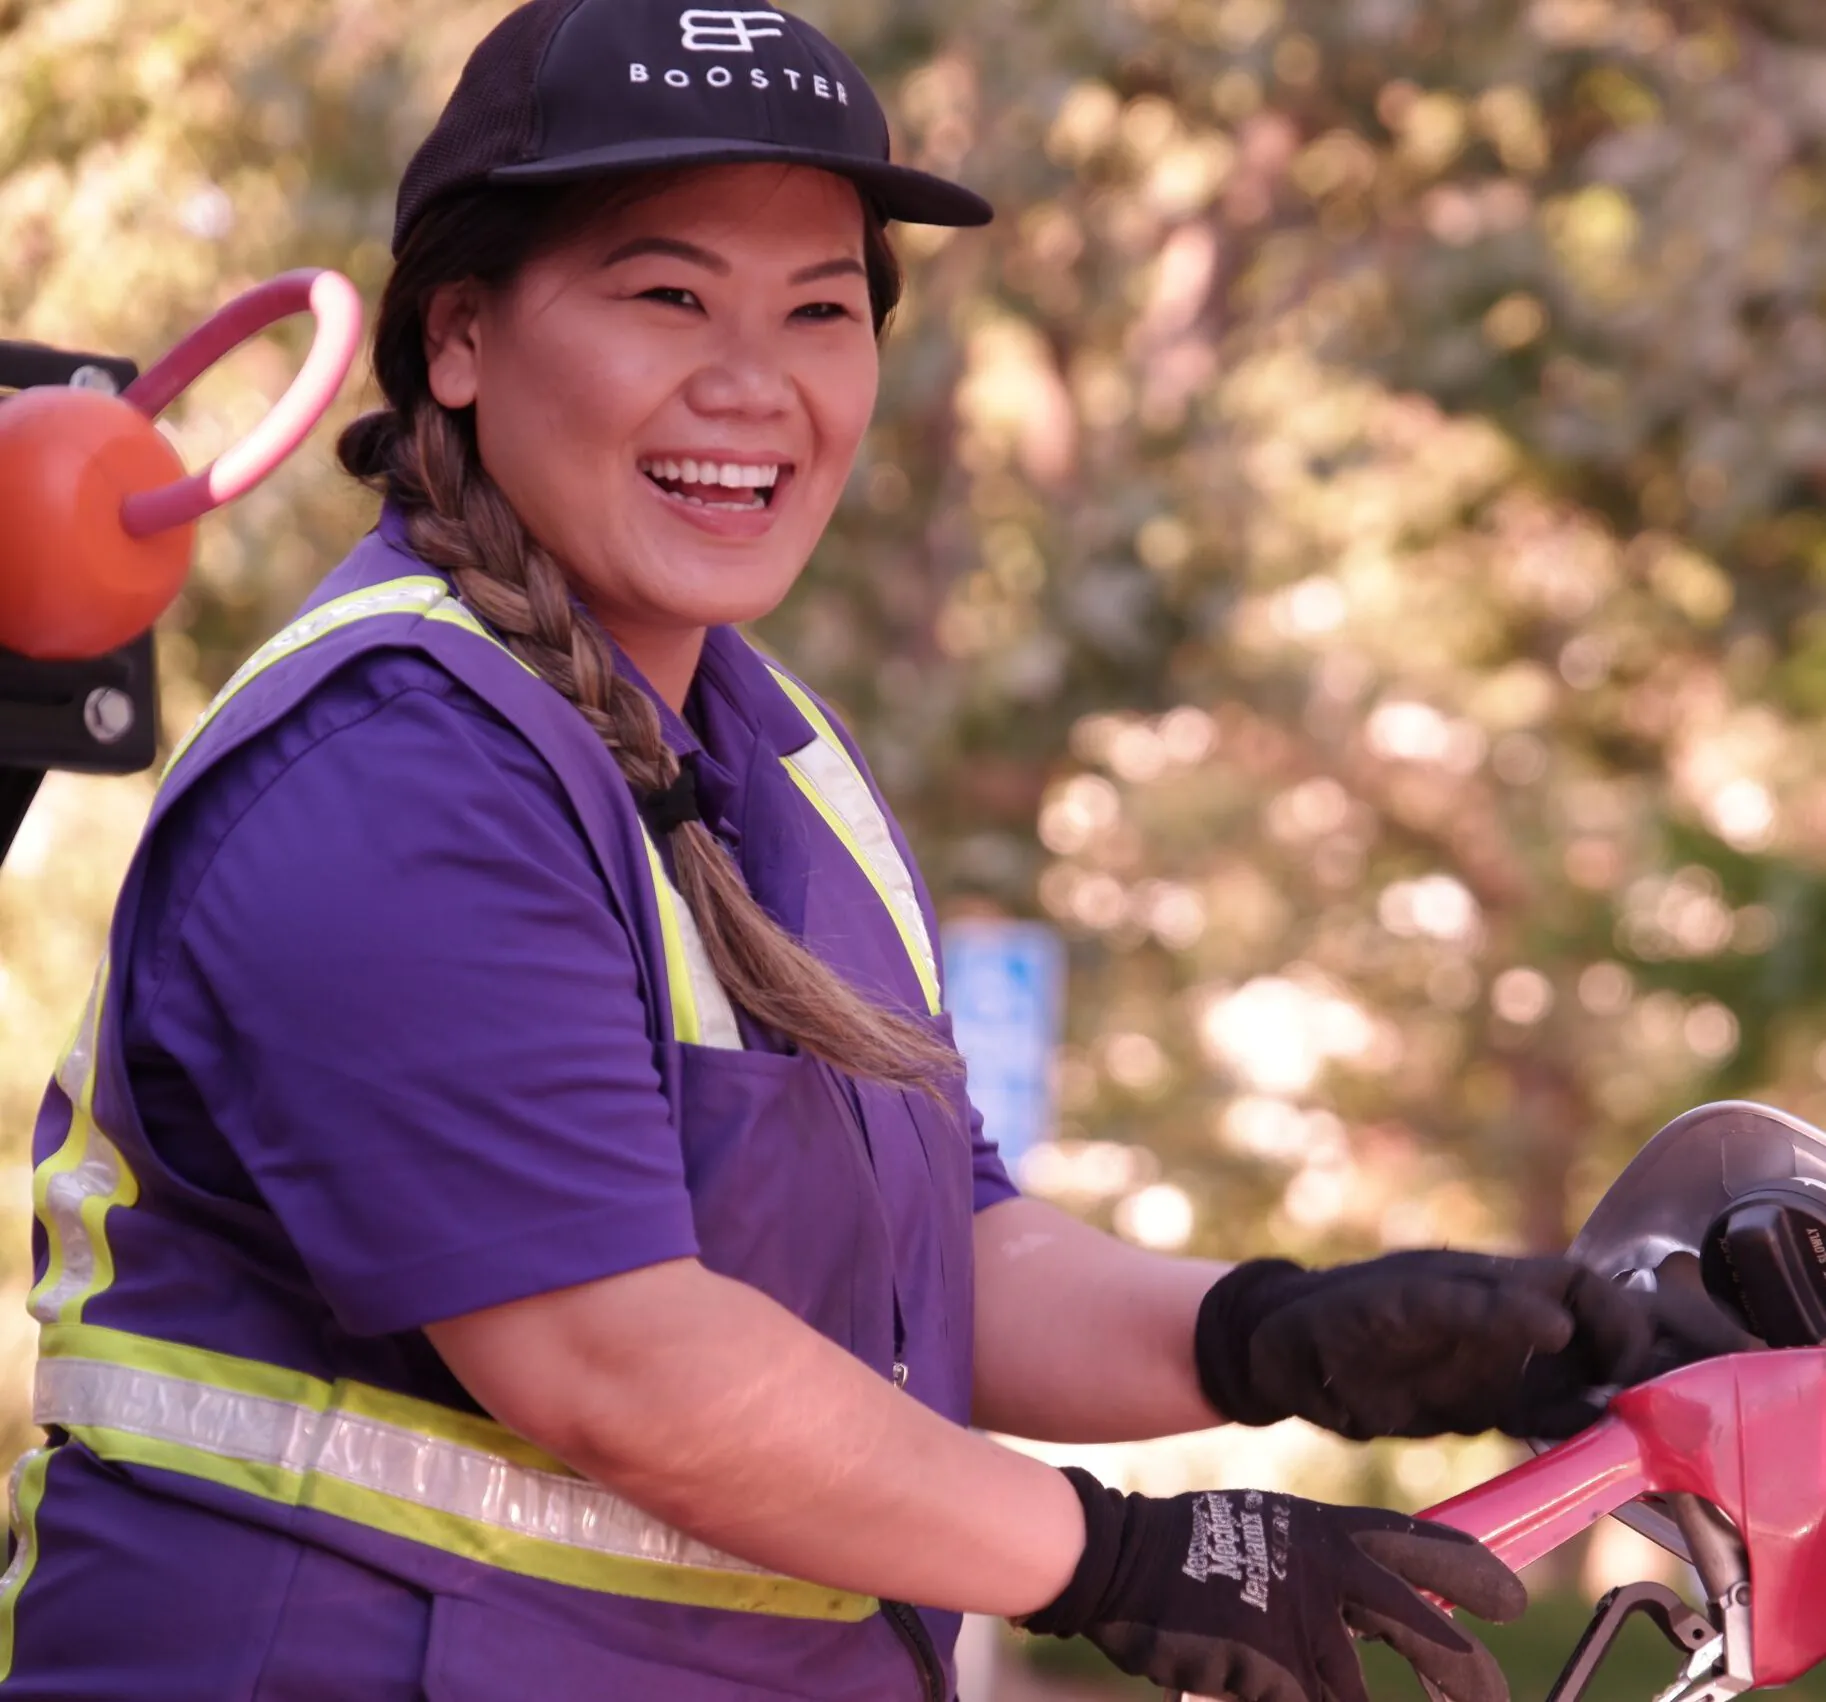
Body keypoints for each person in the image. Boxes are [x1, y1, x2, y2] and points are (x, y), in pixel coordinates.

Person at [0, 3, 1750, 1698]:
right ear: (457, 336)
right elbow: (613, 1358)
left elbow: (940, 1265)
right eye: (666, 293)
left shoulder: (773, 753)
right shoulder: (393, 768)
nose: (752, 386)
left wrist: (1286, 1336)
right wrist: (1121, 1555)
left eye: (820, 311)